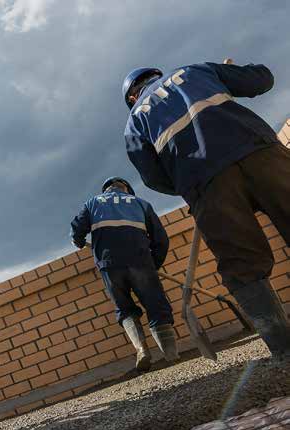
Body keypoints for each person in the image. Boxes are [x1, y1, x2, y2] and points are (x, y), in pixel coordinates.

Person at [123, 60, 289, 362]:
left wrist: (195, 184)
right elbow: (261, 80)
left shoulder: (134, 122)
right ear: (158, 75)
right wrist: (237, 69)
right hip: (261, 153)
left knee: (243, 267)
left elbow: (153, 178)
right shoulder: (194, 71)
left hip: (207, 184)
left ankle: (285, 351)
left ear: (132, 98)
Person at [71, 177, 177, 371]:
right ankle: (170, 354)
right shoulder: (141, 204)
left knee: (125, 308)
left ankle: (142, 350)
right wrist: (154, 264)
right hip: (140, 261)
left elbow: (77, 228)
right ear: (126, 189)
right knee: (155, 304)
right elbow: (160, 239)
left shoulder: (93, 203)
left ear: (106, 190)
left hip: (109, 264)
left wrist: (77, 241)